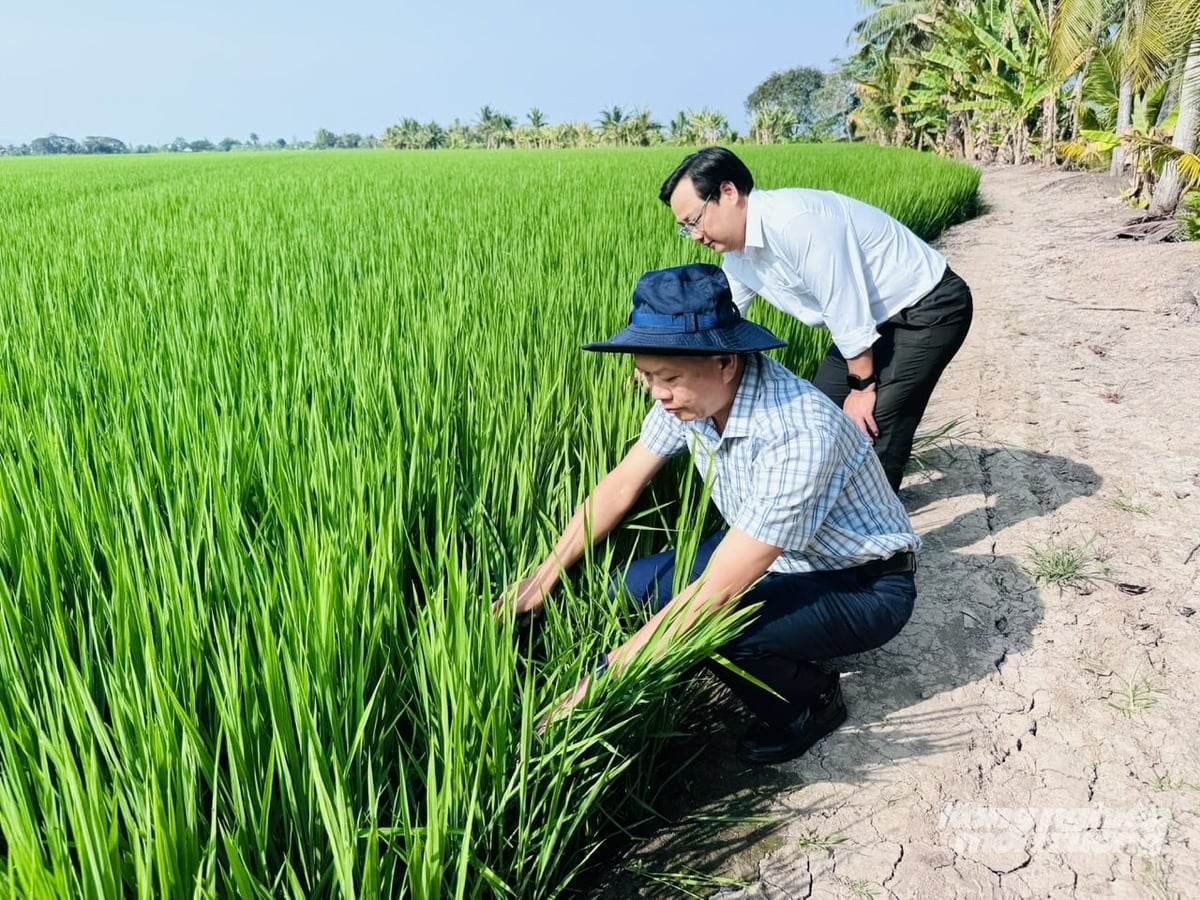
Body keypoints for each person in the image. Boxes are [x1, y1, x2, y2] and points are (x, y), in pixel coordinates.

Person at [498, 262, 920, 765]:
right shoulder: (689, 397)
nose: (657, 392)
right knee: (622, 590)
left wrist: (590, 692)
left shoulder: (800, 433)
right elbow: (622, 484)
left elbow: (714, 596)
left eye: (668, 377)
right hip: (766, 549)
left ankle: (810, 703)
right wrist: (542, 579)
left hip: (859, 583)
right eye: (646, 375)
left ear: (726, 362)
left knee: (717, 628)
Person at [659, 146, 973, 493]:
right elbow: (721, 317)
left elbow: (845, 305)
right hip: (871, 321)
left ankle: (881, 537)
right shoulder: (739, 254)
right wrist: (664, 362)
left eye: (694, 221)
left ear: (728, 192)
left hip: (928, 307)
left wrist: (862, 388)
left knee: (873, 424)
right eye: (685, 228)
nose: (695, 236)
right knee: (819, 415)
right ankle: (835, 514)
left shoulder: (797, 223)